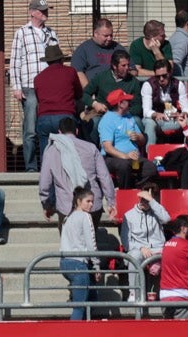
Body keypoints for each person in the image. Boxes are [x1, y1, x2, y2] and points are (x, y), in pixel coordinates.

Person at [37, 116, 116, 222]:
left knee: (68, 233)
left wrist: (47, 204)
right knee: (91, 233)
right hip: (92, 204)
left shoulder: (51, 151)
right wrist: (111, 202)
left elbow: (44, 182)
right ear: (77, 131)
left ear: (59, 132)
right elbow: (104, 177)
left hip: (67, 206)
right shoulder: (91, 147)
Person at [59, 185, 98, 320]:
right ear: (79, 201)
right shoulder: (85, 216)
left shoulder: (67, 217)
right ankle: (74, 330)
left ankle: (85, 328)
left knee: (91, 299)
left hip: (65, 262)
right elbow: (91, 243)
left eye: (92, 201)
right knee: (80, 307)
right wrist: (96, 265)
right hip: (79, 263)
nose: (91, 204)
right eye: (88, 201)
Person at [98, 88, 146, 188]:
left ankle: (135, 187)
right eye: (127, 101)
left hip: (133, 158)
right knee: (124, 166)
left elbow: (142, 141)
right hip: (113, 158)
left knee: (151, 168)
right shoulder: (107, 119)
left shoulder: (129, 117)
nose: (130, 103)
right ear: (120, 104)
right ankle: (124, 192)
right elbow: (107, 148)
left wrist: (138, 137)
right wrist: (126, 156)